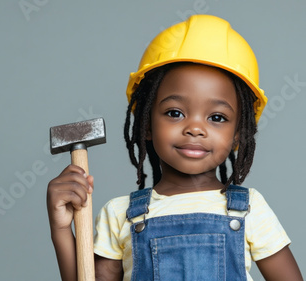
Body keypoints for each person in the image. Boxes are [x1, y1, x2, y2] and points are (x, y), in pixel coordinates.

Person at [47, 15, 303, 281]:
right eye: (175, 113)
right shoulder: (119, 215)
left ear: (238, 134)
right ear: (146, 123)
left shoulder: (250, 209)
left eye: (216, 118)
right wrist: (62, 230)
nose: (195, 128)